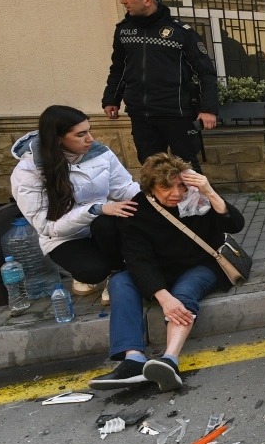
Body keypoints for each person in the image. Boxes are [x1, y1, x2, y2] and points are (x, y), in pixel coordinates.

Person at [88, 153, 245, 392]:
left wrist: (209, 192)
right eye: (166, 187)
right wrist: (163, 297)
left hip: (201, 264)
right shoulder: (137, 210)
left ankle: (169, 360)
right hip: (159, 269)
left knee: (184, 292)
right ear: (151, 188)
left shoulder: (197, 199)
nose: (177, 194)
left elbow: (235, 225)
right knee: (121, 281)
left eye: (181, 185)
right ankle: (133, 360)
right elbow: (137, 259)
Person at [9, 105, 140, 301]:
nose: (90, 139)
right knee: (93, 271)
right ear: (58, 138)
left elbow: (124, 188)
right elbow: (45, 226)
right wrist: (96, 209)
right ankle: (96, 271)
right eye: (81, 134)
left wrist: (160, 198)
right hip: (63, 237)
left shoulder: (100, 153)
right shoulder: (28, 171)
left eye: (89, 130)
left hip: (102, 227)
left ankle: (117, 273)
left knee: (106, 223)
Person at [101, 0, 220, 171]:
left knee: (187, 169)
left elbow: (206, 72)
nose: (122, 1)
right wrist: (111, 98)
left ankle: (199, 203)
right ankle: (158, 203)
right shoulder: (123, 30)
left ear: (147, 0)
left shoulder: (181, 32)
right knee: (151, 170)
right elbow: (119, 68)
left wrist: (208, 109)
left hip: (176, 113)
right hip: (140, 113)